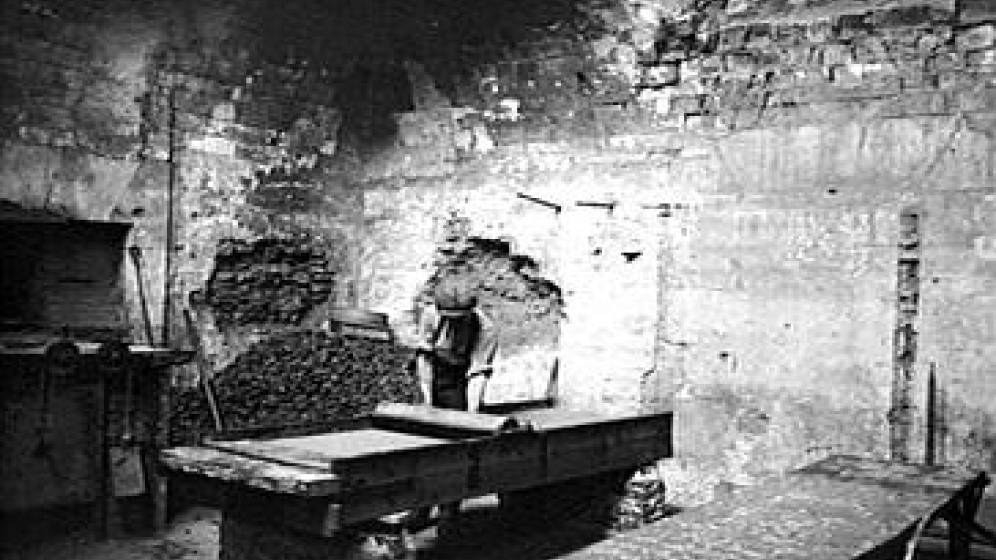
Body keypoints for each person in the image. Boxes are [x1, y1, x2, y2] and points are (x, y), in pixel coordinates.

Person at [407, 276, 498, 533]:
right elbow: (424, 358)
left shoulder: (485, 328)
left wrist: (472, 416)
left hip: (459, 379)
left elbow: (478, 372)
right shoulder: (430, 316)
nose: (454, 324)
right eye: (450, 318)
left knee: (455, 447)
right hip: (434, 375)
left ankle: (449, 509)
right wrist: (426, 401)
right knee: (423, 443)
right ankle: (420, 508)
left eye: (460, 319)